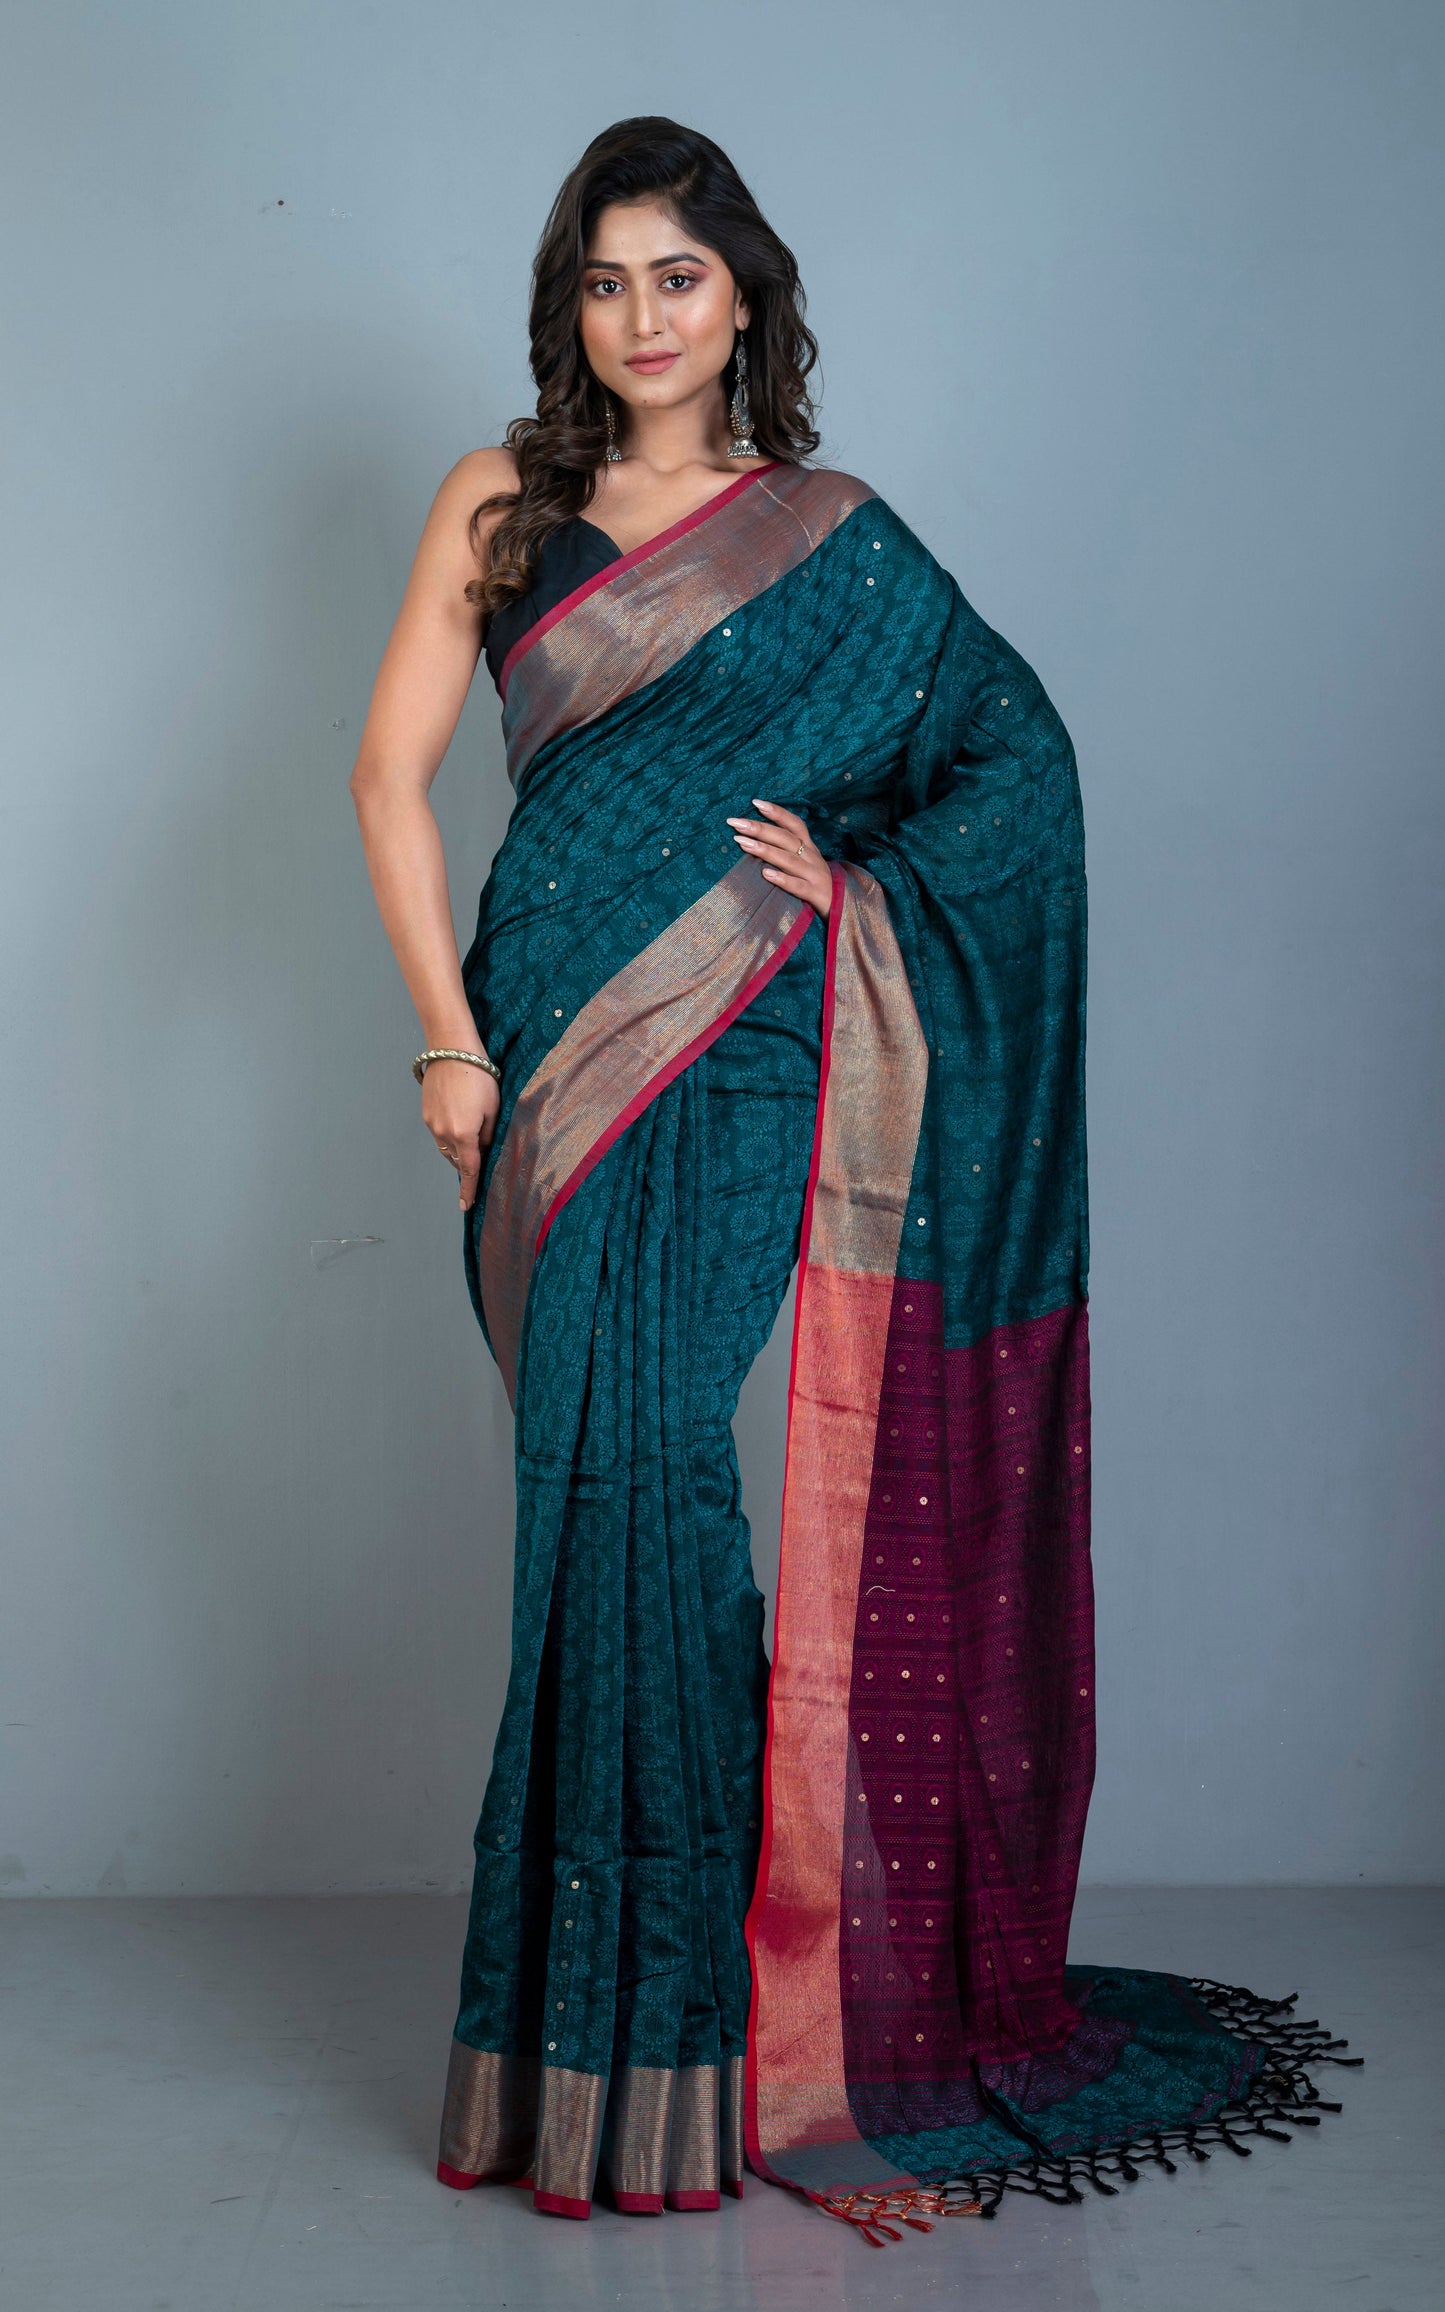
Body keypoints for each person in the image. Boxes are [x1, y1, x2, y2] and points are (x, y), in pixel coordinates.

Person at [349, 116, 1350, 2240]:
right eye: (606, 281)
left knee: (656, 1478)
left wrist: (863, 888)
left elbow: (1015, 758)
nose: (642, 318)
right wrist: (445, 1036)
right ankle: (589, 2046)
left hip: (746, 1043)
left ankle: (704, 2035)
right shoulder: (500, 499)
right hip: (541, 1047)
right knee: (578, 1498)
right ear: (567, 306)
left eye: (678, 277)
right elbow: (383, 780)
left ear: (743, 298)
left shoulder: (832, 540)